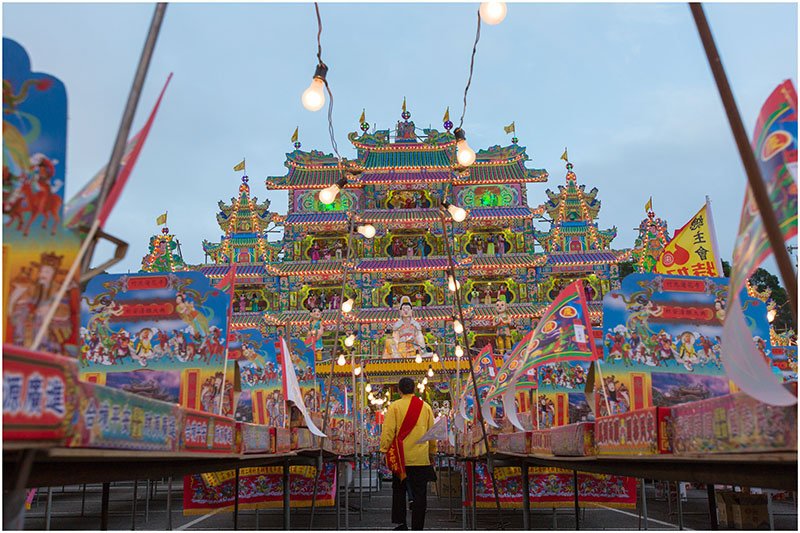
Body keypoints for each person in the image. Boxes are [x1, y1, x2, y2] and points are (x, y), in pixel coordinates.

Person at [380, 377, 437, 530]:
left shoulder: (394, 407)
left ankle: (401, 524)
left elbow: (388, 432)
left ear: (399, 390)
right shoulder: (425, 407)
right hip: (420, 458)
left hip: (400, 458)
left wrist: (384, 450)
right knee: (420, 495)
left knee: (399, 492)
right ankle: (418, 527)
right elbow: (432, 433)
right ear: (414, 389)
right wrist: (432, 452)